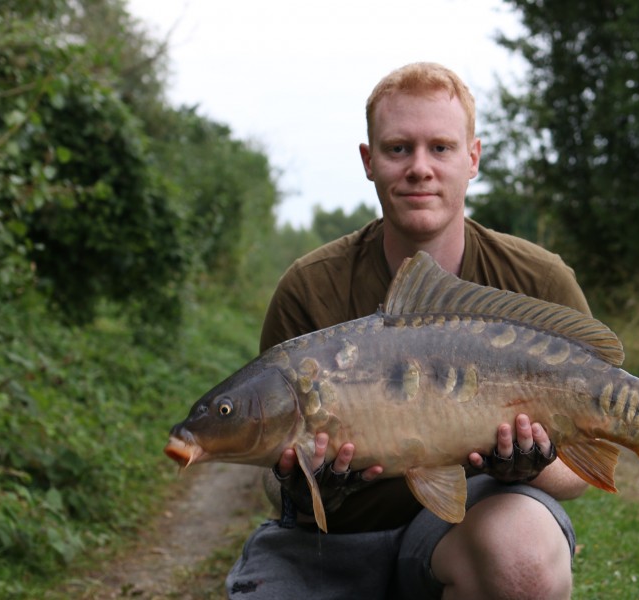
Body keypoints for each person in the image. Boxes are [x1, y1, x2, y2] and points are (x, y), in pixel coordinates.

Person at [227, 62, 591, 600]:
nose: (420, 167)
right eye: (399, 149)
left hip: (465, 531)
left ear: (472, 158)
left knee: (523, 561)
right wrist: (302, 488)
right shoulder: (309, 287)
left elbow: (582, 472)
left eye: (440, 148)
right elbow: (270, 469)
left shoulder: (536, 281)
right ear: (369, 161)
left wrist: (525, 470)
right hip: (331, 544)